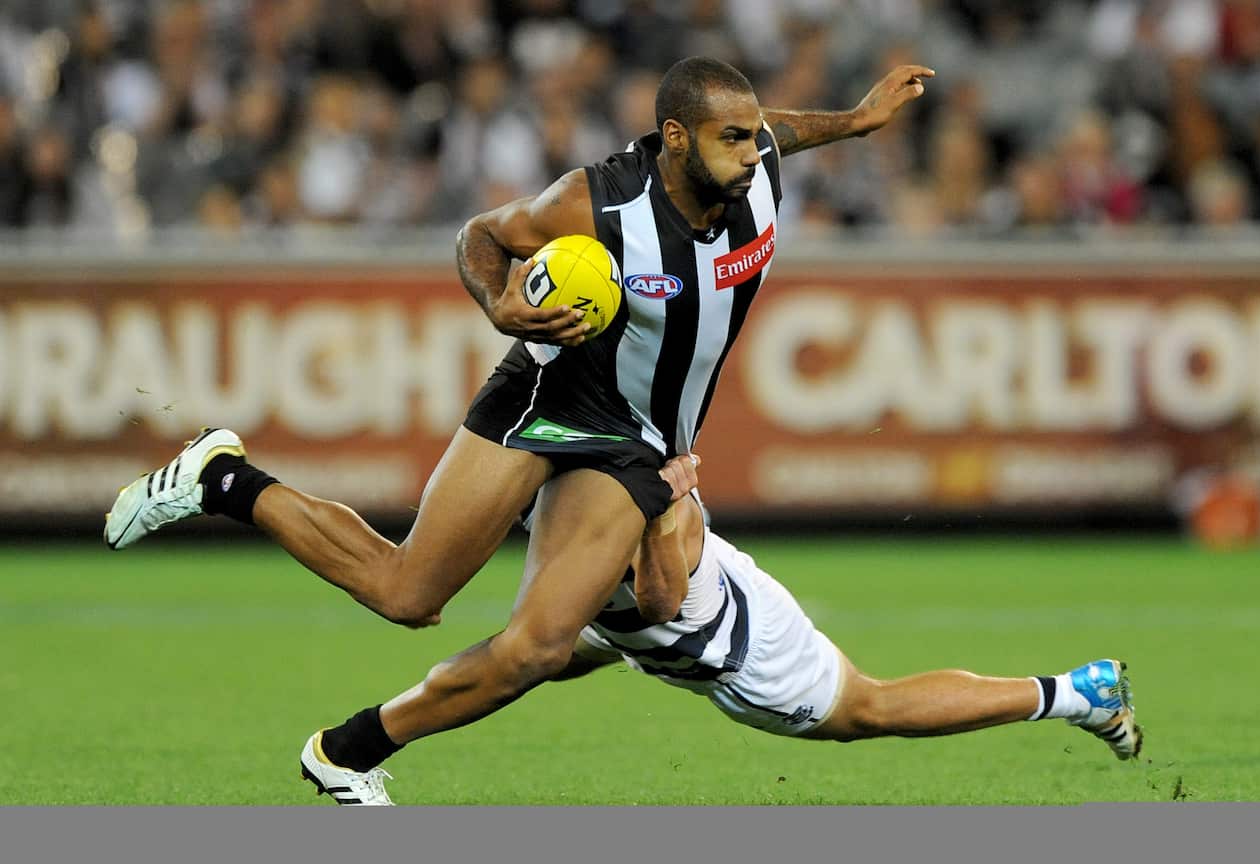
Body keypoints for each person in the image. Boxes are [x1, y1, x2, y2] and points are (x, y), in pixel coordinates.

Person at [104, 57, 934, 782]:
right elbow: (482, 235)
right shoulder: (594, 204)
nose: (753, 153)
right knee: (407, 594)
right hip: (549, 396)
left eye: (755, 138)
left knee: (542, 647)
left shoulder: (756, 171)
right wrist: (500, 303)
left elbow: (779, 128)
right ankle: (222, 478)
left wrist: (855, 122)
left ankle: (350, 750)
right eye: (733, 139)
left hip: (633, 442)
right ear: (677, 139)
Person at [299, 457, 1142, 805]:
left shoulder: (629, 468)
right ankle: (349, 751)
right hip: (635, 605)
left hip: (715, 640)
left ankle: (1075, 693)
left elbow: (661, 600)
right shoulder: (592, 417)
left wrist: (663, 511)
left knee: (870, 708)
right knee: (533, 657)